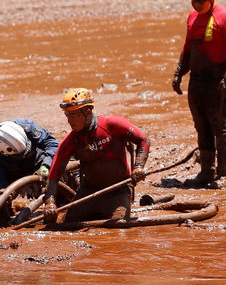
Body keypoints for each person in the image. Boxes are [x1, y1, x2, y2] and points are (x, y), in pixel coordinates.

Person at [171, 0, 226, 188]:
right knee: (201, 127)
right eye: (193, 1)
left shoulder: (225, 17)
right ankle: (206, 172)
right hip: (197, 81)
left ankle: (223, 175)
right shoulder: (192, 18)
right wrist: (178, 73)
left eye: (199, 1)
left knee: (220, 128)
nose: (196, 5)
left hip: (217, 81)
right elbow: (187, 48)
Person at [43, 88, 149, 224]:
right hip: (89, 191)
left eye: (73, 115)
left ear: (88, 112)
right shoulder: (70, 141)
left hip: (119, 189)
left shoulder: (112, 124)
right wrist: (50, 202)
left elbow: (144, 140)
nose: (70, 121)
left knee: (118, 228)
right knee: (68, 224)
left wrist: (138, 167)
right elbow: (54, 174)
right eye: (67, 116)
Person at [0, 119, 58, 216]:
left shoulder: (28, 128)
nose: (24, 156)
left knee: (60, 167)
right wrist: (2, 190)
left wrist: (46, 165)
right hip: (10, 175)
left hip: (37, 166)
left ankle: (57, 200)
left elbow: (52, 144)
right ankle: (0, 212)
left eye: (26, 153)